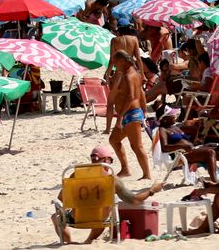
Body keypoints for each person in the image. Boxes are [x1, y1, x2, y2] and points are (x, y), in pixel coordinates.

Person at [53, 145, 164, 243]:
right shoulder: (112, 180)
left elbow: (61, 197)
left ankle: (70, 242)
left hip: (76, 219)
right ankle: (89, 240)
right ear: (106, 159)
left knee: (55, 216)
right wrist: (151, 190)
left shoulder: (76, 174)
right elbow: (134, 200)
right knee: (107, 208)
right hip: (101, 220)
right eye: (111, 160)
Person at [109, 51, 151, 180]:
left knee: (137, 146)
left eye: (116, 63)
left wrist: (120, 117)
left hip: (130, 114)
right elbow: (141, 93)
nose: (115, 66)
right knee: (114, 140)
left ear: (122, 61)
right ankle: (125, 169)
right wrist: (144, 110)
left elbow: (131, 96)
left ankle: (147, 175)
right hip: (133, 113)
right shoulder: (136, 73)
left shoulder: (128, 75)